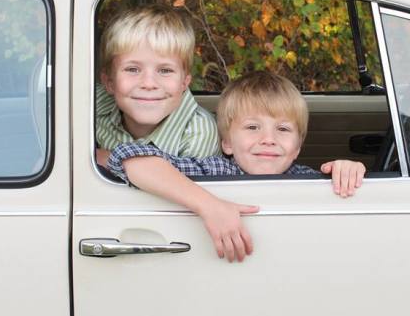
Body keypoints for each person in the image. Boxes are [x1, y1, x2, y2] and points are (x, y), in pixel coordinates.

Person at [108, 71, 366, 263]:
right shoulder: (216, 172)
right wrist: (209, 205)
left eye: (283, 129)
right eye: (253, 127)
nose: (268, 138)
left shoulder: (307, 179)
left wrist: (347, 169)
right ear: (228, 143)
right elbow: (130, 156)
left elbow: (345, 189)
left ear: (298, 147)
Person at [95, 5, 220, 166]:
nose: (148, 83)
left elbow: (176, 188)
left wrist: (108, 159)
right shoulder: (95, 104)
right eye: (132, 69)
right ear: (109, 82)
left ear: (185, 81)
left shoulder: (198, 132)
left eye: (165, 70)